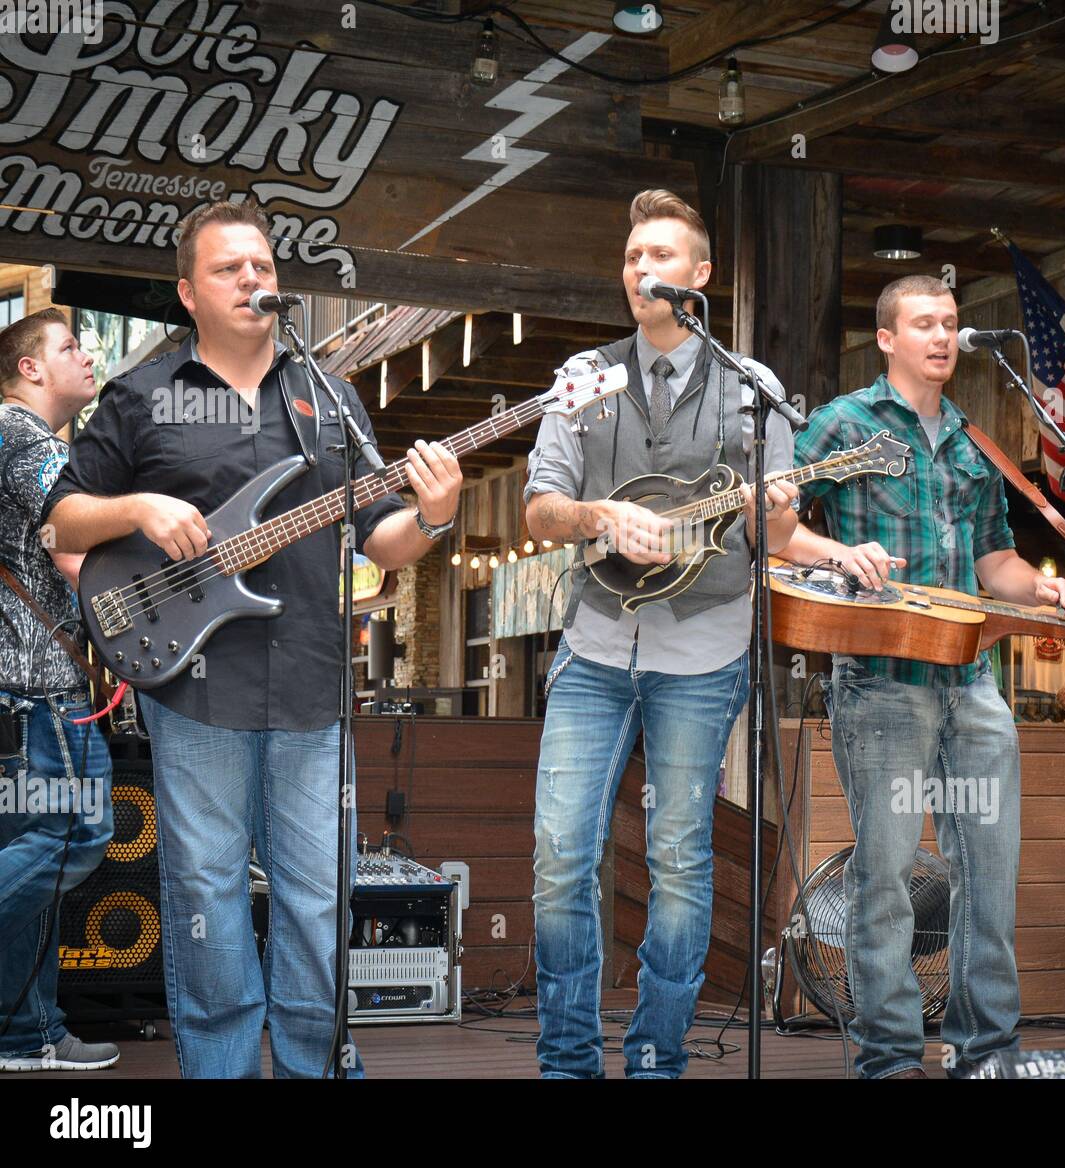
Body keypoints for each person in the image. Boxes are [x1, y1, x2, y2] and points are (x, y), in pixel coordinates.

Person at [42, 200, 462, 1078]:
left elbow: (378, 534)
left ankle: (313, 1063)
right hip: (193, 685)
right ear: (189, 293)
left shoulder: (327, 395)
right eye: (231, 269)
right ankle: (221, 1068)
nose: (253, 281)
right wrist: (141, 507)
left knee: (318, 897)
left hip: (311, 682)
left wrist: (434, 516)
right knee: (205, 892)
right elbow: (64, 520)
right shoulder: (142, 393)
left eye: (264, 267)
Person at [523, 189, 799, 1078]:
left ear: (701, 277)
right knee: (562, 853)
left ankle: (655, 1055)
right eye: (633, 257)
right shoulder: (584, 374)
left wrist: (781, 515)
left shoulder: (754, 388)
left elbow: (775, 538)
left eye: (662, 257)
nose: (643, 271)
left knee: (681, 859)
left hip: (706, 648)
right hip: (595, 644)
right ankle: (567, 1058)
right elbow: (539, 507)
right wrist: (598, 513)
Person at [782, 274, 1065, 1079]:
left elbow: (996, 562)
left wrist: (1043, 585)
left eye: (951, 324)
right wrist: (835, 552)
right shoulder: (840, 424)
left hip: (972, 677)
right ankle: (889, 1057)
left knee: (989, 872)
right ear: (887, 338)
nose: (944, 337)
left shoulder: (974, 441)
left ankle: (986, 1051)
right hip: (880, 681)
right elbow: (769, 524)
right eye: (925, 324)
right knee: (885, 875)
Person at [0, 307, 118, 1072]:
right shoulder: (22, 437)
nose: (88, 357)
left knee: (38, 858)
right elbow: (78, 540)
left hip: (30, 684)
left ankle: (25, 1035)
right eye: (70, 347)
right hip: (37, 684)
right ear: (30, 368)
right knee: (74, 835)